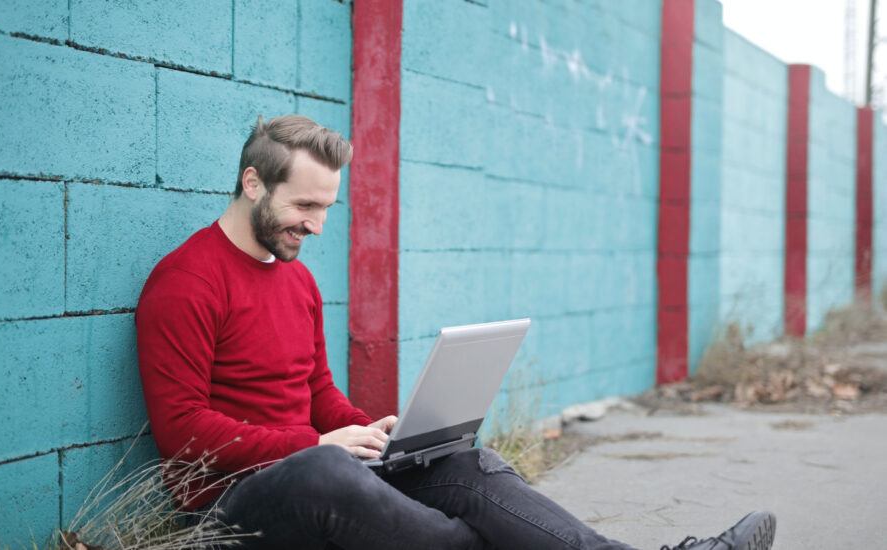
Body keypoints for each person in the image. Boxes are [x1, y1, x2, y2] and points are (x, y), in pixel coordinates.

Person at [135, 114, 777, 550]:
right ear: (253, 183)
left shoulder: (296, 281)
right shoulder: (187, 280)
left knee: (467, 463)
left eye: (327, 208)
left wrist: (379, 431)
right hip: (231, 510)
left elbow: (319, 394)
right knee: (327, 475)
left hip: (317, 459)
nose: (318, 227)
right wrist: (320, 443)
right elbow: (182, 431)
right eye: (304, 206)